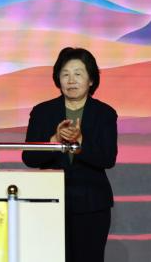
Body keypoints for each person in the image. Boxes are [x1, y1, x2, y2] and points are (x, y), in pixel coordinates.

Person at [22, 47, 118, 262]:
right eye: (65, 74)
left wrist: (80, 142)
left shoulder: (105, 113)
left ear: (91, 80)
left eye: (78, 74)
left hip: (91, 204)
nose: (71, 80)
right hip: (48, 202)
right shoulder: (42, 112)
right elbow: (29, 158)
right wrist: (54, 142)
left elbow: (107, 158)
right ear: (58, 78)